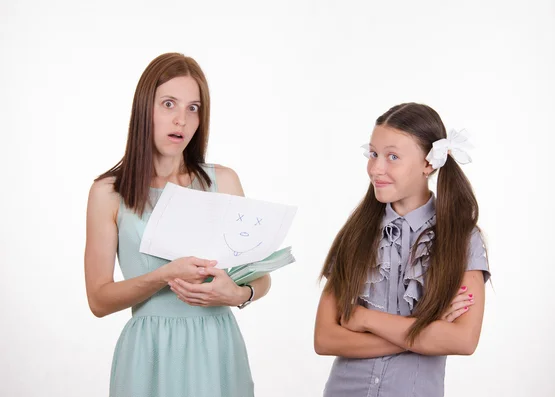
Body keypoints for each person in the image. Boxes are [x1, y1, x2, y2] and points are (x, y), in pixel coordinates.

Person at [84, 52, 269, 397]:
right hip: (148, 352)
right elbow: (98, 300)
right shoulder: (108, 193)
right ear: (145, 109)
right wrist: (165, 275)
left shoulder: (224, 182)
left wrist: (239, 294)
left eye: (193, 108)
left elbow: (261, 276)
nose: (181, 120)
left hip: (218, 347)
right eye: (169, 104)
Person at [314, 102, 491, 396]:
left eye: (392, 156)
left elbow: (463, 340)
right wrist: (426, 330)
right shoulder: (356, 234)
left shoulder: (461, 239)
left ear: (428, 163)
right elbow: (325, 338)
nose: (375, 168)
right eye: (373, 154)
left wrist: (364, 319)